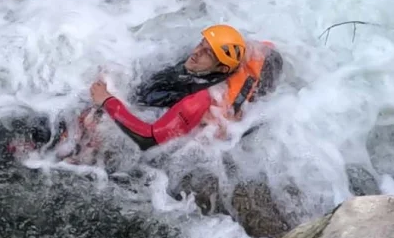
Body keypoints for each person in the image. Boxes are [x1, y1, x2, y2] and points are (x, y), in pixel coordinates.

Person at [88, 25, 283, 151]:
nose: (196, 52)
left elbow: (147, 138)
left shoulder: (199, 101)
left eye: (207, 52)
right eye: (201, 44)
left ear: (223, 68)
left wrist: (107, 100)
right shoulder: (247, 54)